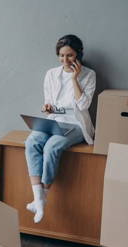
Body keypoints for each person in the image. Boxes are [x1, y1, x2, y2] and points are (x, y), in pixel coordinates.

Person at [25, 34, 96, 223]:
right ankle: (38, 197)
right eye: (61, 55)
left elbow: (83, 105)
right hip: (54, 120)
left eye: (70, 55)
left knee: (52, 147)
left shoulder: (89, 74)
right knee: (32, 141)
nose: (65, 60)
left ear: (78, 55)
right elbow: (48, 102)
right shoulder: (51, 74)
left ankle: (42, 199)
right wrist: (46, 108)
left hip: (75, 123)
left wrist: (74, 79)